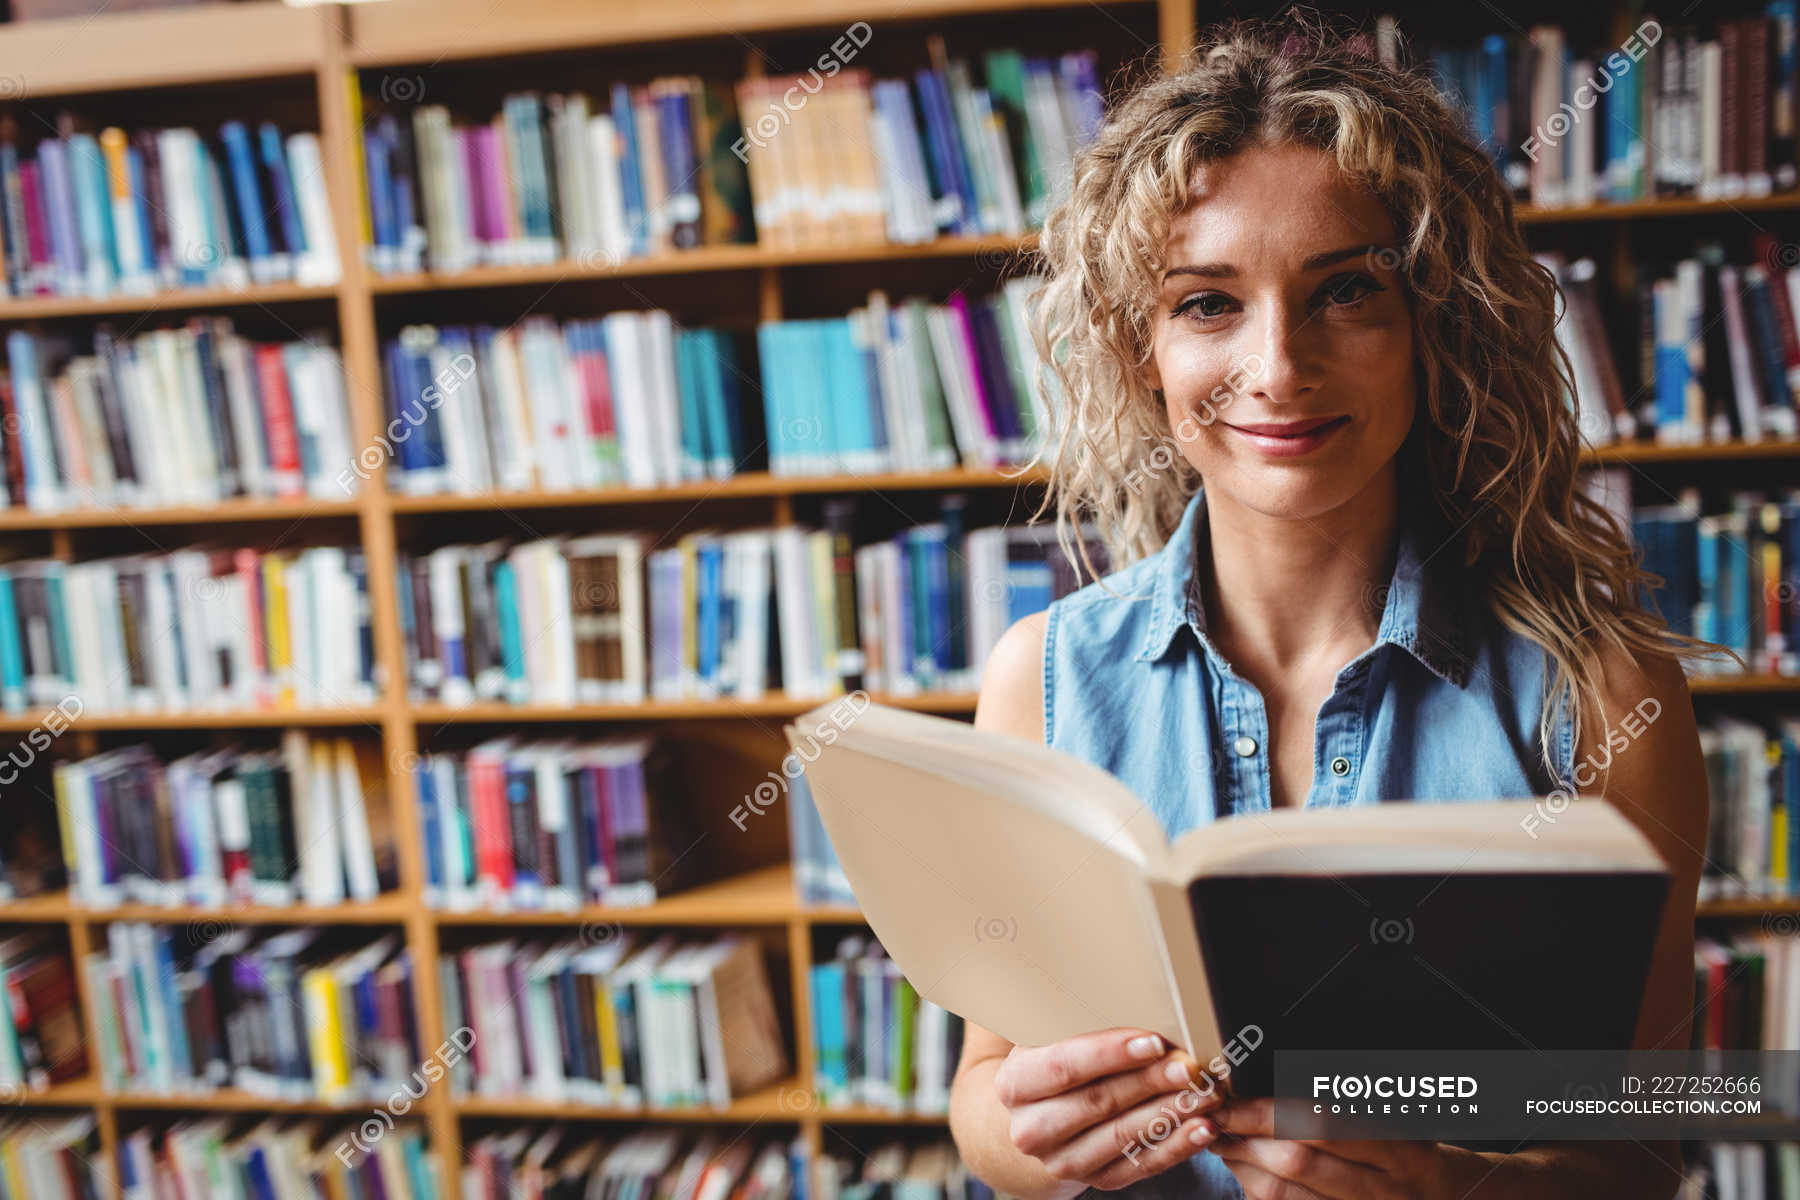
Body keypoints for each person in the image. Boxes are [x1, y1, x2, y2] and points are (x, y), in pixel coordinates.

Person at [949, 12, 1720, 1200]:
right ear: (1139, 345)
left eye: (1347, 291)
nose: (1279, 366)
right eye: (1207, 302)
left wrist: (1449, 1187)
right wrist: (1038, 1139)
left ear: (1433, 327)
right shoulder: (1037, 679)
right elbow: (984, 1100)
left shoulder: (1607, 700)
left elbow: (1637, 1151)